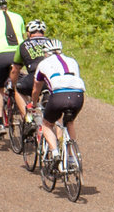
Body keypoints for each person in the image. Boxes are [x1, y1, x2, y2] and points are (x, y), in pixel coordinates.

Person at [32, 40, 85, 169]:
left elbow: (36, 89)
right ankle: (72, 157)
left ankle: (55, 152)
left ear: (46, 53)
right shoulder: (72, 61)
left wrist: (33, 103)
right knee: (69, 122)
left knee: (46, 124)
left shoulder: (43, 64)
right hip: (78, 95)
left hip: (58, 96)